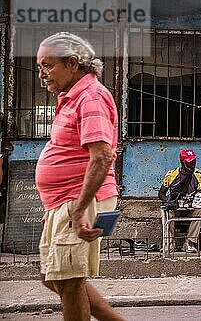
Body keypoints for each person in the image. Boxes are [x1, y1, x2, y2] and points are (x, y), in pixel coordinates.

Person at [35, 32, 124, 321]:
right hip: (64, 201)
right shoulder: (71, 98)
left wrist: (78, 210)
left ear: (72, 63)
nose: (41, 75)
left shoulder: (91, 97)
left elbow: (101, 156)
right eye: (40, 67)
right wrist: (54, 208)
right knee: (53, 277)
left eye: (47, 66)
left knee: (70, 281)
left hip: (81, 198)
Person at [158, 148, 201, 253]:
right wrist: (169, 201)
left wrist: (197, 197)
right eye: (189, 162)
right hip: (176, 208)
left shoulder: (198, 174)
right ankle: (169, 243)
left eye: (194, 161)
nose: (192, 165)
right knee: (167, 213)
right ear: (182, 162)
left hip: (191, 208)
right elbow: (161, 193)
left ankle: (189, 242)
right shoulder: (171, 174)